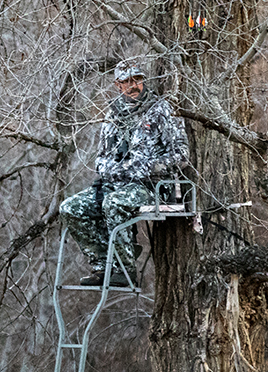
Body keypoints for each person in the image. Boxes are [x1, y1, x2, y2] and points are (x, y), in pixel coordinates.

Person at [59, 59, 189, 287]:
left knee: (113, 203)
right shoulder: (112, 114)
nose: (133, 86)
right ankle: (103, 266)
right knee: (70, 208)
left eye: (137, 80)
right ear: (118, 85)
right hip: (114, 183)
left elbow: (181, 154)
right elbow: (100, 158)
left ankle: (125, 270)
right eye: (127, 81)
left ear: (143, 80)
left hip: (151, 186)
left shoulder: (161, 110)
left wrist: (149, 167)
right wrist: (114, 169)